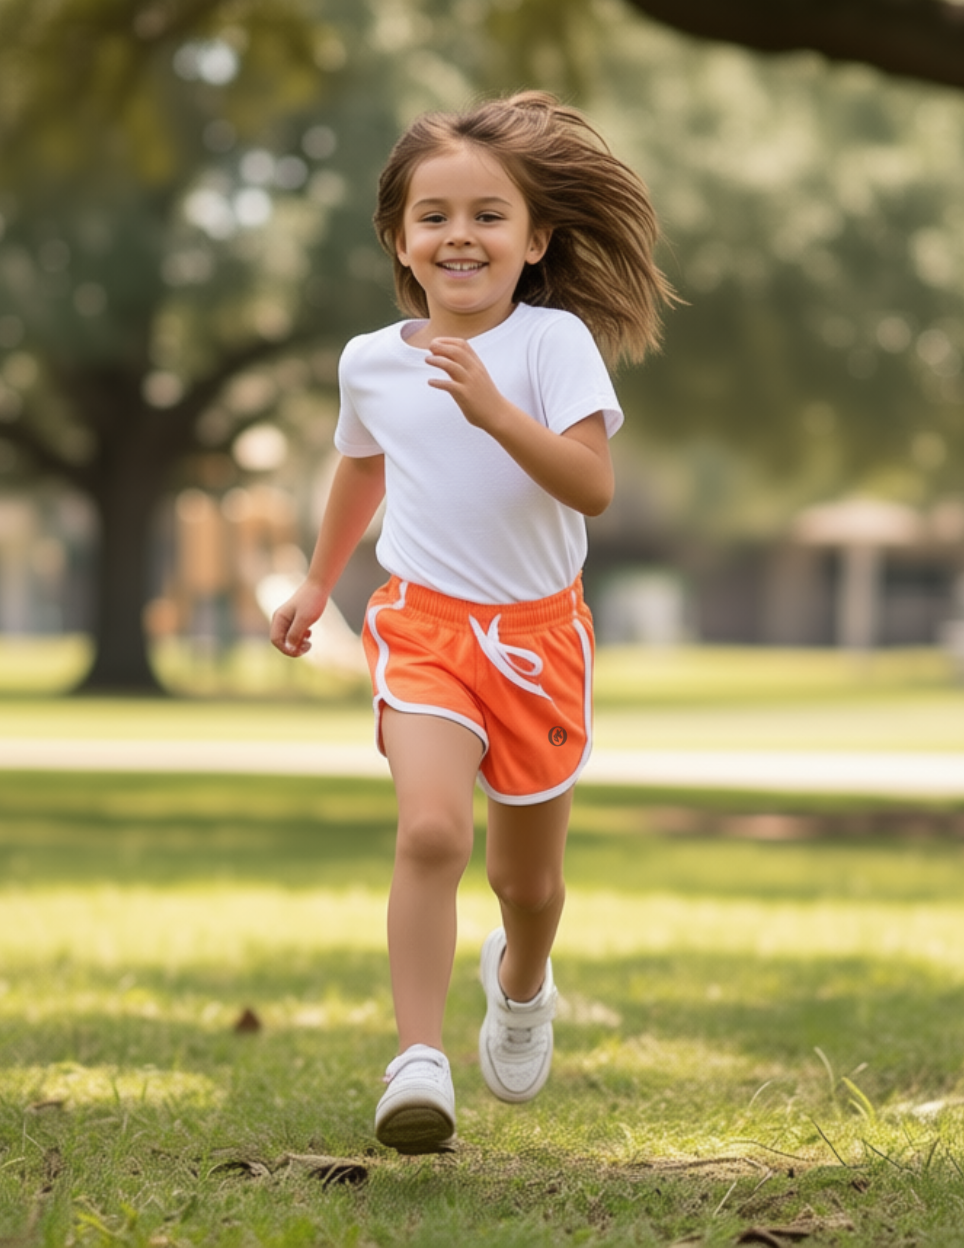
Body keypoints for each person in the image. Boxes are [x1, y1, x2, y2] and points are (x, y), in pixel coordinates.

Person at [270, 91, 675, 1153]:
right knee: (433, 831)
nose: (461, 234)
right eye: (434, 215)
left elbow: (590, 485)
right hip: (422, 626)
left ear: (535, 239)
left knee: (526, 884)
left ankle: (522, 980)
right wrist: (320, 584)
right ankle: (418, 1061)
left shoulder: (554, 345)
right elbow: (363, 464)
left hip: (540, 640)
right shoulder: (372, 360)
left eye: (489, 215)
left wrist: (494, 407)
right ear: (401, 241)